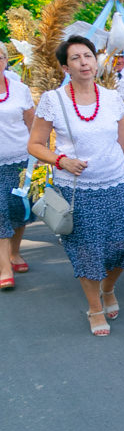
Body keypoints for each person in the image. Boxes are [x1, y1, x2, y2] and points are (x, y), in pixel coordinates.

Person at [27, 35, 124, 336]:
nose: (84, 62)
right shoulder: (54, 100)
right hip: (78, 192)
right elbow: (35, 145)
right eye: (76, 57)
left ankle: (108, 289)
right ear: (66, 67)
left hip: (116, 184)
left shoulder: (112, 98)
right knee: (88, 251)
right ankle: (94, 307)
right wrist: (60, 159)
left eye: (88, 55)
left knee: (119, 251)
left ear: (96, 60)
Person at [0, 44, 35, 290]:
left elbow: (32, 125)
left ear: (5, 61)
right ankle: (4, 268)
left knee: (18, 209)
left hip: (20, 161)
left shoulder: (20, 90)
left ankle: (15, 253)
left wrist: (40, 156)